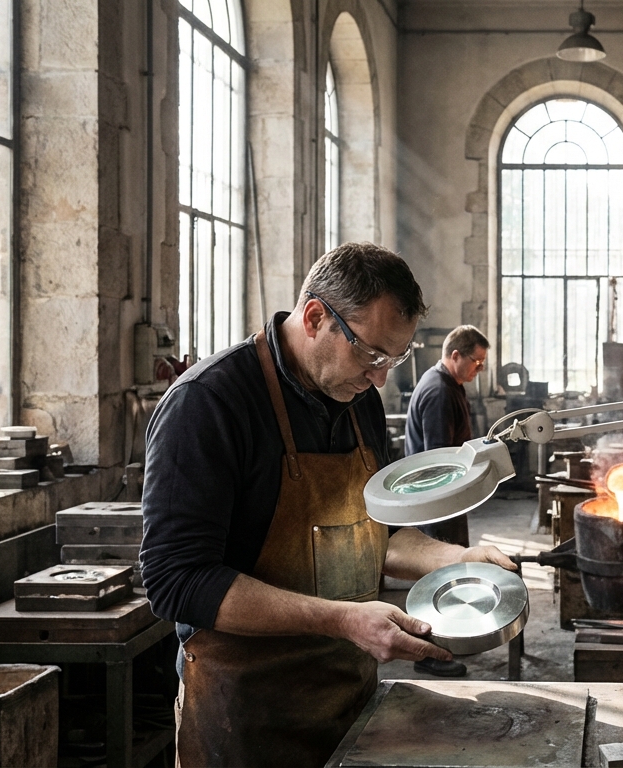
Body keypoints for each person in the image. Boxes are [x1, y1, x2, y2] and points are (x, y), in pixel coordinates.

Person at [140, 243, 515, 767]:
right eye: (373, 354)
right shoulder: (208, 403)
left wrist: (455, 560)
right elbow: (175, 581)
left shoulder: (358, 397)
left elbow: (374, 534)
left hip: (349, 701)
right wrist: (343, 620)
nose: (381, 378)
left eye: (396, 358)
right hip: (245, 720)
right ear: (316, 316)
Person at [403, 324, 489, 676]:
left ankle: (448, 640)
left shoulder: (450, 384)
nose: (479, 369)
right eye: (476, 361)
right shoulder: (439, 391)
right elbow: (439, 462)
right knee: (436, 575)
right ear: (455, 355)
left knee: (451, 572)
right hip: (436, 501)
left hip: (447, 501)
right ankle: (428, 654)